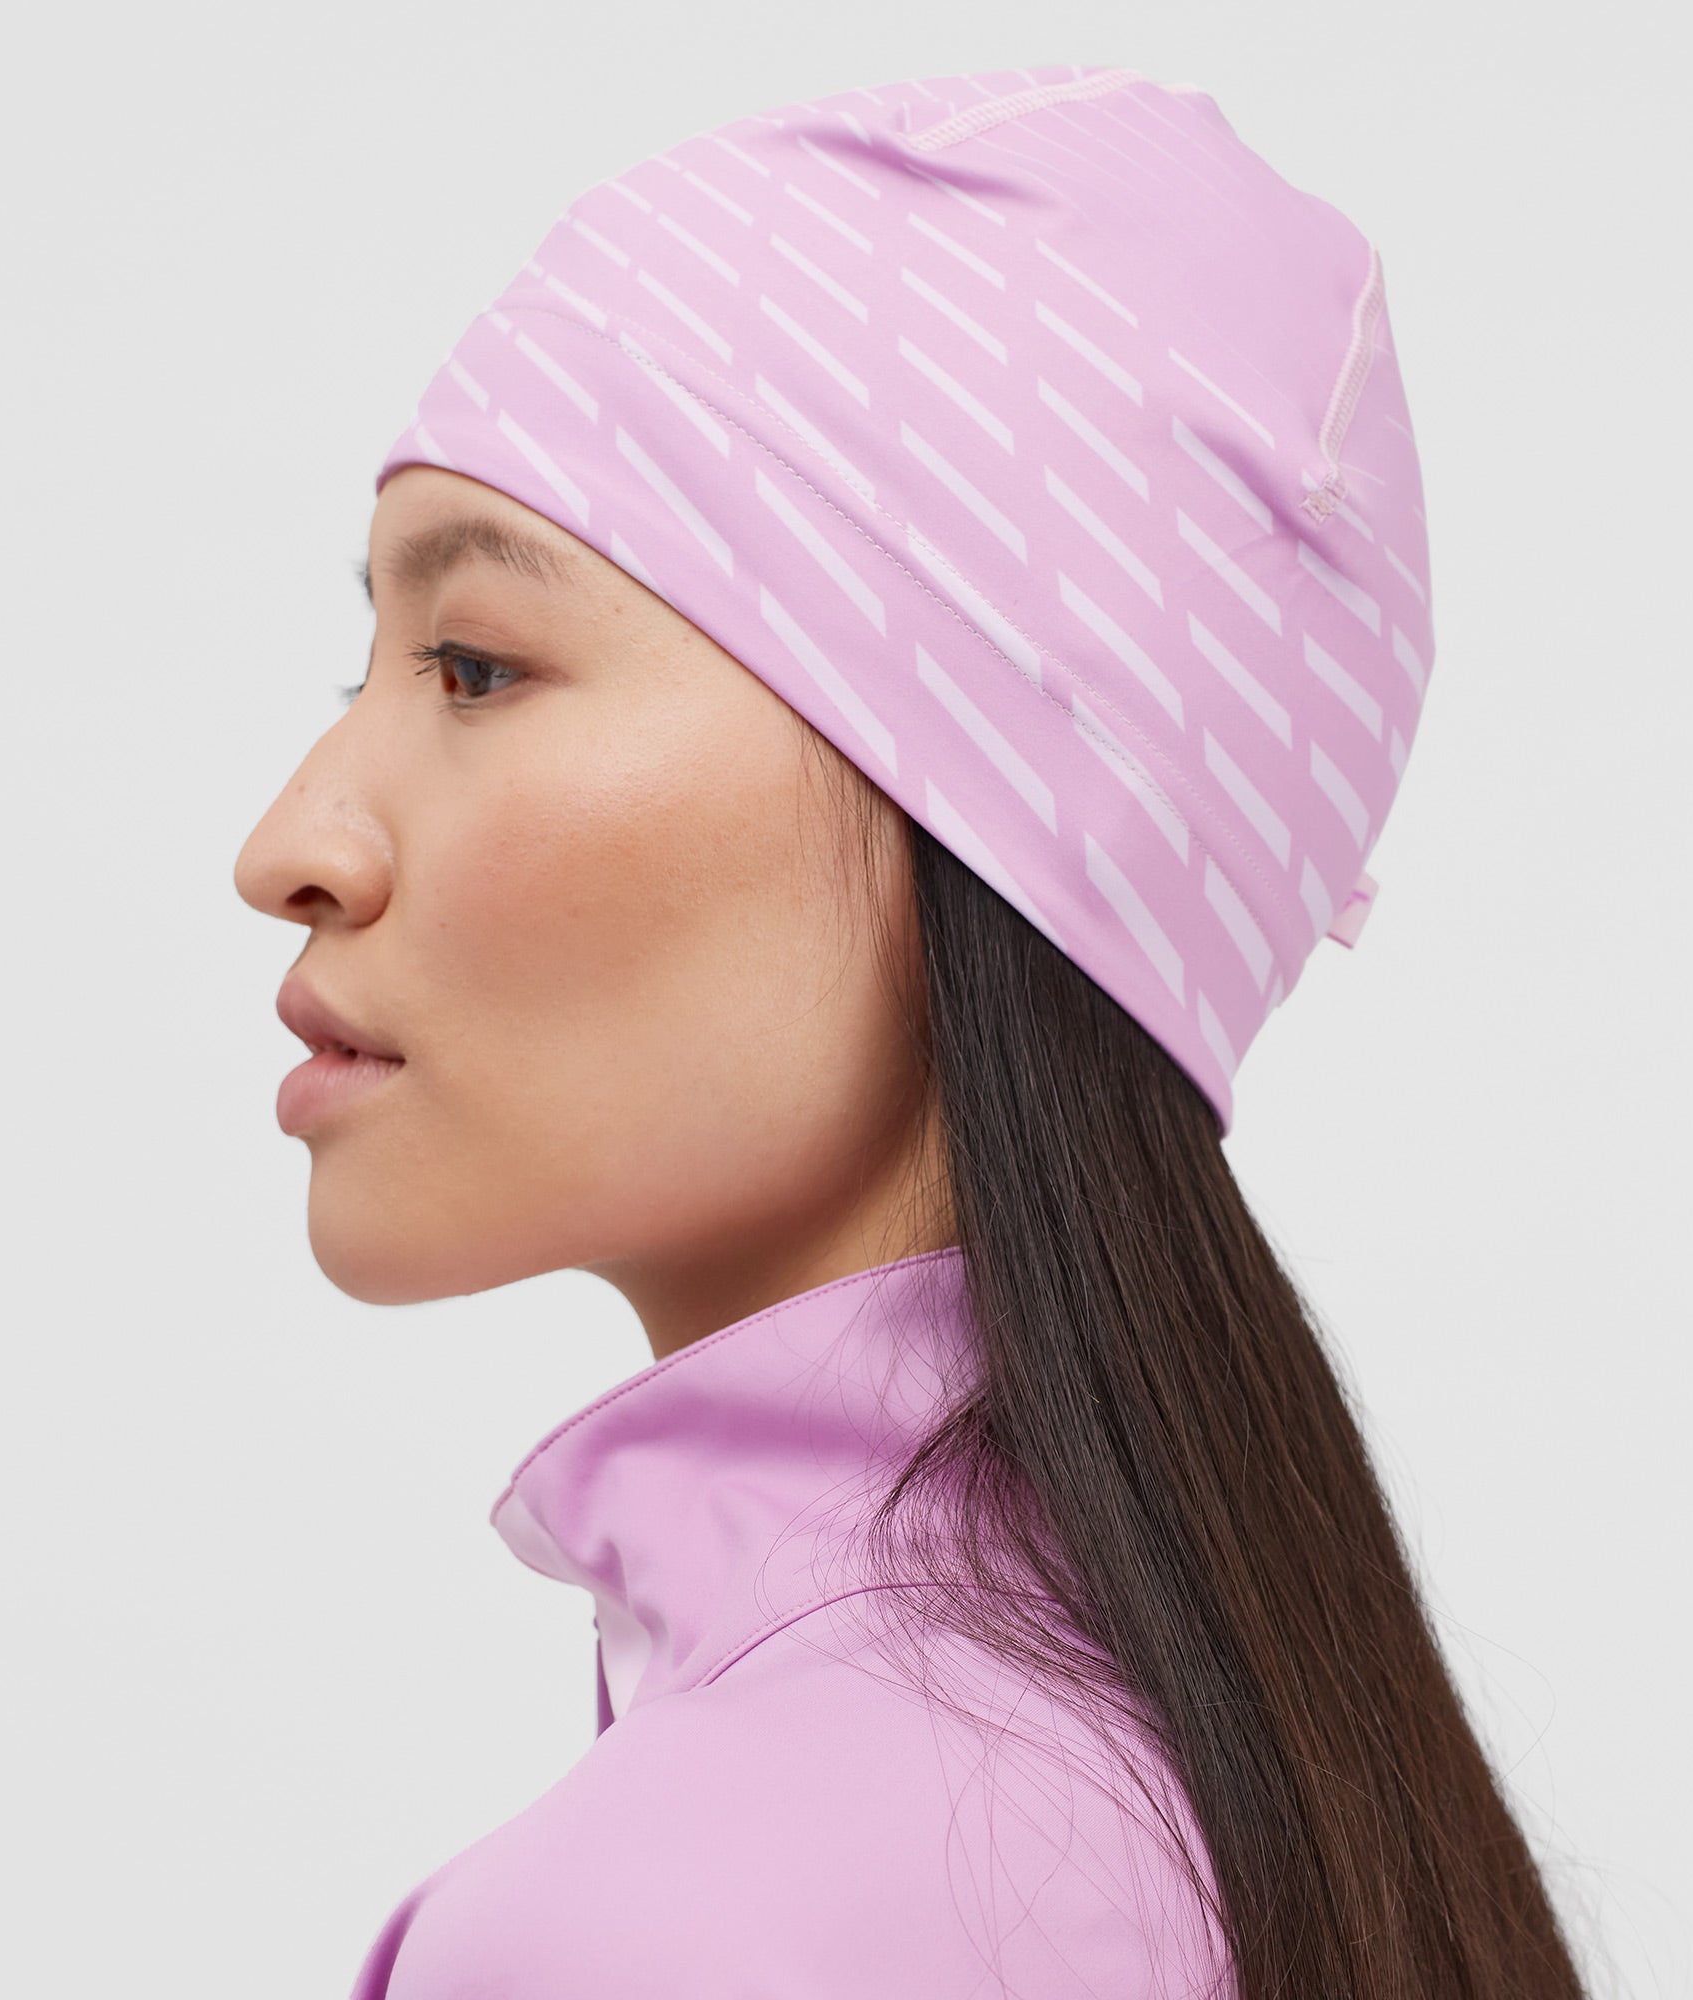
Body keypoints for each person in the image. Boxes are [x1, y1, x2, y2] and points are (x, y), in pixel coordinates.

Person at [235, 62, 1589, 2000]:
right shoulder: (1253, 1801)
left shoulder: (667, 1925)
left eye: (476, 667)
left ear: (979, 815)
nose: (289, 846)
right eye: (359, 669)